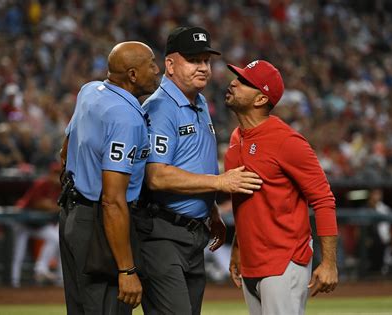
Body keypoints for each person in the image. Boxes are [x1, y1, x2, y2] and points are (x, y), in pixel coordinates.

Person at [137, 26, 262, 315]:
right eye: (194, 60)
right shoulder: (159, 107)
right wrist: (219, 182)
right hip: (162, 233)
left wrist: (211, 210)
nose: (203, 67)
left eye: (206, 60)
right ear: (170, 65)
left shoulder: (200, 101)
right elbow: (156, 175)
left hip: (194, 233)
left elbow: (190, 160)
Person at [223, 60, 339, 315]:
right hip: (251, 262)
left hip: (284, 261)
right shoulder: (236, 138)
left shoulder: (287, 141)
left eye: (244, 82)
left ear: (261, 99)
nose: (233, 82)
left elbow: (323, 199)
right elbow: (246, 202)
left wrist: (329, 262)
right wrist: (238, 248)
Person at [58, 41, 159, 315]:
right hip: (100, 226)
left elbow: (64, 151)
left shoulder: (89, 91)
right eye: (151, 64)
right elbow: (112, 200)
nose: (157, 69)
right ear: (132, 75)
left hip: (72, 215)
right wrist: (127, 269)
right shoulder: (125, 117)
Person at [10, 162, 62, 288]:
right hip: (23, 223)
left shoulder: (59, 188)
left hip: (38, 225)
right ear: (49, 174)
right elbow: (39, 204)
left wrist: (51, 206)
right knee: (18, 253)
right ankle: (13, 281)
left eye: (58, 174)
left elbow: (57, 206)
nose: (56, 177)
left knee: (55, 238)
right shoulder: (41, 184)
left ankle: (41, 268)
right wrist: (51, 206)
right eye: (54, 174)